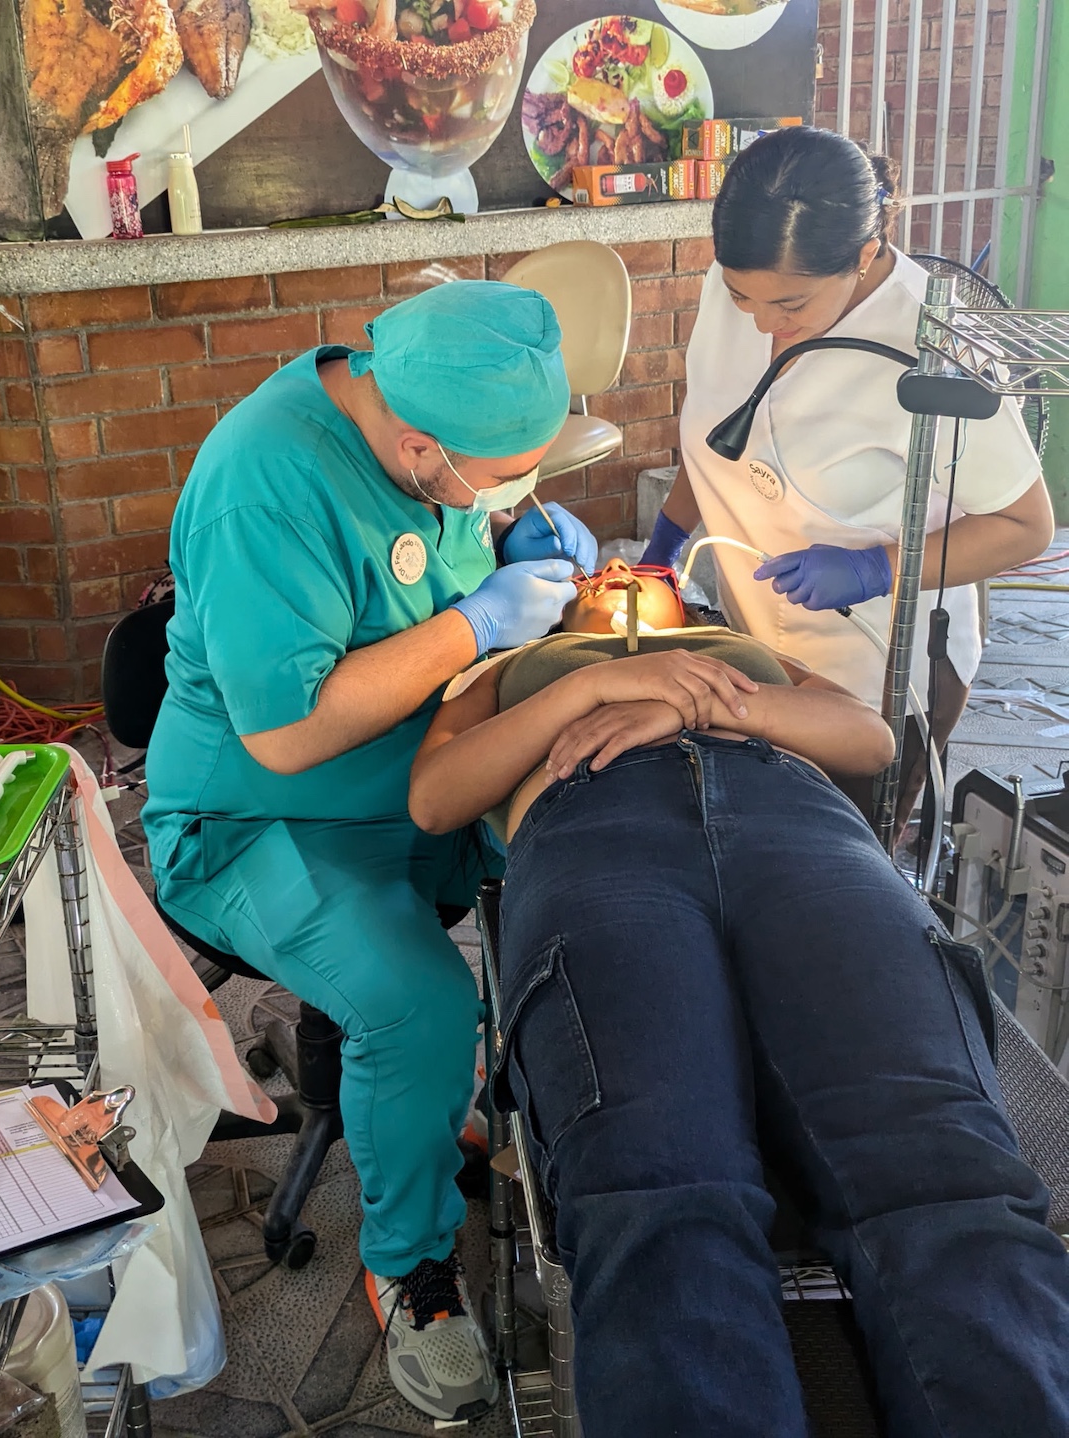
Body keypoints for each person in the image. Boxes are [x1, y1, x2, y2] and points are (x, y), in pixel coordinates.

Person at [408, 565, 1069, 1438]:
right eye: (599, 573)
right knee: (656, 1190)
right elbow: (436, 796)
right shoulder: (512, 663)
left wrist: (691, 706)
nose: (621, 571)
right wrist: (596, 686)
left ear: (685, 601)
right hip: (595, 835)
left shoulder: (734, 646)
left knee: (947, 1172)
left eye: (643, 569)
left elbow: (869, 739)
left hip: (798, 825)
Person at [141, 280, 600, 1424]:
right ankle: (408, 1268)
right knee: (415, 1002)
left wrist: (509, 541)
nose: (509, 498)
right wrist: (479, 621)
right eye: (500, 482)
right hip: (257, 820)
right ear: (419, 446)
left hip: (413, 776)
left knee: (583, 874)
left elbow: (445, 544)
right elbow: (288, 731)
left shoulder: (421, 416)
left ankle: (459, 1106)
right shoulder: (265, 483)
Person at [641, 125, 1054, 830]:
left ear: (864, 254)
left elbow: (1027, 526)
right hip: (759, 650)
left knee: (841, 847)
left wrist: (872, 568)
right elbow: (713, 433)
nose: (763, 324)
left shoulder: (937, 346)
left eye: (791, 307)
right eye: (743, 299)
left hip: (879, 672)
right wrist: (664, 547)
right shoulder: (747, 278)